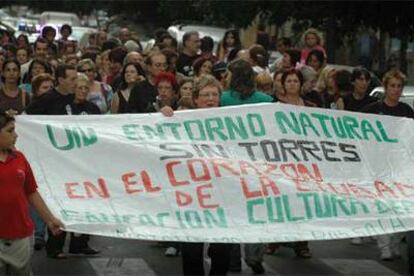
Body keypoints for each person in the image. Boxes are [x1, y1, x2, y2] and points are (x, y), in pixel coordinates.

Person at [162, 75, 232, 275]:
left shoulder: (231, 120)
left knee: (222, 250)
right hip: (192, 193)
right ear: (195, 98)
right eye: (205, 95)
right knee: (192, 250)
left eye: (214, 94)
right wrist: (164, 116)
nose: (210, 99)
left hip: (223, 193)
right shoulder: (182, 119)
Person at [220, 59, 272, 274]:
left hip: (229, 164)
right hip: (257, 165)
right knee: (256, 211)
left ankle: (232, 259)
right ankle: (254, 256)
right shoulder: (266, 100)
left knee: (232, 211)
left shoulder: (224, 99)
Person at [0, 111, 64, 275]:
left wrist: (49, 219)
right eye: (10, 130)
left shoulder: (19, 158)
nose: (15, 135)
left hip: (20, 235)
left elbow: (31, 192)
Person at [361, 69, 414, 263]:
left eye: (399, 86)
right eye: (392, 86)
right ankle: (384, 246)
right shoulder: (372, 110)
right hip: (378, 165)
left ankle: (394, 242)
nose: (396, 90)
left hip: (401, 167)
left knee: (400, 206)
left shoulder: (407, 111)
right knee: (383, 205)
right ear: (386, 87)